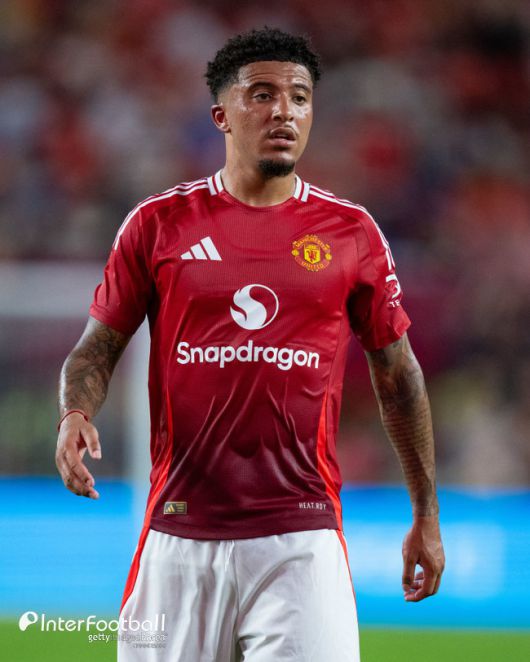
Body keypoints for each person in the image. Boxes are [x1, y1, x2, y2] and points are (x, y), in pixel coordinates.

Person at [55, 26, 445, 662]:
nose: (284, 111)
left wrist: (425, 514)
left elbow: (399, 375)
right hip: (179, 533)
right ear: (222, 117)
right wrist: (75, 412)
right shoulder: (157, 225)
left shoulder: (351, 233)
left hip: (301, 538)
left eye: (300, 97)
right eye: (262, 95)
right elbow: (97, 347)